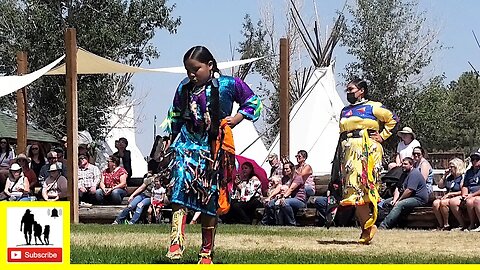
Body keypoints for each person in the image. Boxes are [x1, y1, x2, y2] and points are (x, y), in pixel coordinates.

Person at [162, 46, 261, 264]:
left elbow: (253, 102)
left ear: (209, 66)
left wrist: (237, 118)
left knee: (209, 198)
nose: (191, 74)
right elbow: (176, 114)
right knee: (179, 186)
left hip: (213, 148)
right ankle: (176, 241)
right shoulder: (184, 88)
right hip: (187, 144)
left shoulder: (228, 84)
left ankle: (206, 252)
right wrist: (172, 139)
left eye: (195, 69)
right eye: (187, 70)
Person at [331, 78, 398, 244]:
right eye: (347, 90)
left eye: (351, 90)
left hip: (366, 150)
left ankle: (368, 227)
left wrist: (382, 136)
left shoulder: (373, 106)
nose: (349, 93)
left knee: (364, 187)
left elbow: (393, 120)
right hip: (348, 152)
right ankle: (367, 228)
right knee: (354, 192)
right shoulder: (345, 111)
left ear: (361, 90)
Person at [379, 157, 429, 229]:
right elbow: (398, 188)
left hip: (418, 198)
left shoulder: (414, 174)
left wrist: (398, 201)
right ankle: (381, 222)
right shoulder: (404, 174)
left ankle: (384, 226)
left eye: (405, 164)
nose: (403, 165)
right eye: (402, 164)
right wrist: (394, 200)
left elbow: (409, 190)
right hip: (408, 197)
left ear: (411, 165)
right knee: (385, 202)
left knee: (399, 204)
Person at [449, 150, 480, 231]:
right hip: (469, 194)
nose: (474, 161)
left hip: (476, 195)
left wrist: (472, 195)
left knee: (471, 201)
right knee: (453, 202)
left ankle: (473, 224)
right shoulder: (469, 172)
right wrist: (464, 195)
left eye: (477, 159)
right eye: (473, 159)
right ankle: (462, 225)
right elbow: (465, 185)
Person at [432, 158, 465, 230]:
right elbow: (440, 186)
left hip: (458, 196)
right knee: (435, 203)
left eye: (452, 167)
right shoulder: (450, 177)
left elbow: (463, 191)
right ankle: (441, 225)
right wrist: (444, 176)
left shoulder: (462, 177)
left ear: (457, 167)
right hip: (448, 196)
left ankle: (447, 224)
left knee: (443, 202)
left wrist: (450, 194)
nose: (450, 169)